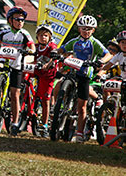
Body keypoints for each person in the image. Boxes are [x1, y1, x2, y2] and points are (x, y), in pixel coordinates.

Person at [53, 15, 112, 143]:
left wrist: (100, 61)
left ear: (93, 30)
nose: (86, 31)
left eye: (89, 29)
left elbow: (108, 54)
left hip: (85, 74)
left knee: (82, 107)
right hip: (73, 71)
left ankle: (79, 133)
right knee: (60, 83)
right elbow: (62, 49)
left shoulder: (94, 42)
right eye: (83, 28)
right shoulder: (75, 41)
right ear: (79, 29)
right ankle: (58, 107)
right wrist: (55, 52)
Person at [0, 6, 36, 136]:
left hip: (16, 65)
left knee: (15, 94)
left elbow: (31, 44)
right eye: (17, 19)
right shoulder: (5, 32)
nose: (20, 22)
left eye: (22, 20)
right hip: (4, 61)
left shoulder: (24, 33)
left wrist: (31, 50)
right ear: (10, 20)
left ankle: (15, 123)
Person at [33, 24, 57, 138]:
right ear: (37, 36)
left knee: (45, 100)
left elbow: (54, 56)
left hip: (48, 76)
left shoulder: (51, 47)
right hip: (36, 74)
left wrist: (48, 64)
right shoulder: (35, 46)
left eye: (46, 35)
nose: (43, 37)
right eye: (41, 35)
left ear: (50, 37)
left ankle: (45, 124)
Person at [101, 31, 126, 104]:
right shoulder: (119, 55)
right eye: (122, 42)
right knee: (105, 88)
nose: (124, 45)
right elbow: (107, 66)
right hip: (122, 81)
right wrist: (100, 75)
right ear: (119, 44)